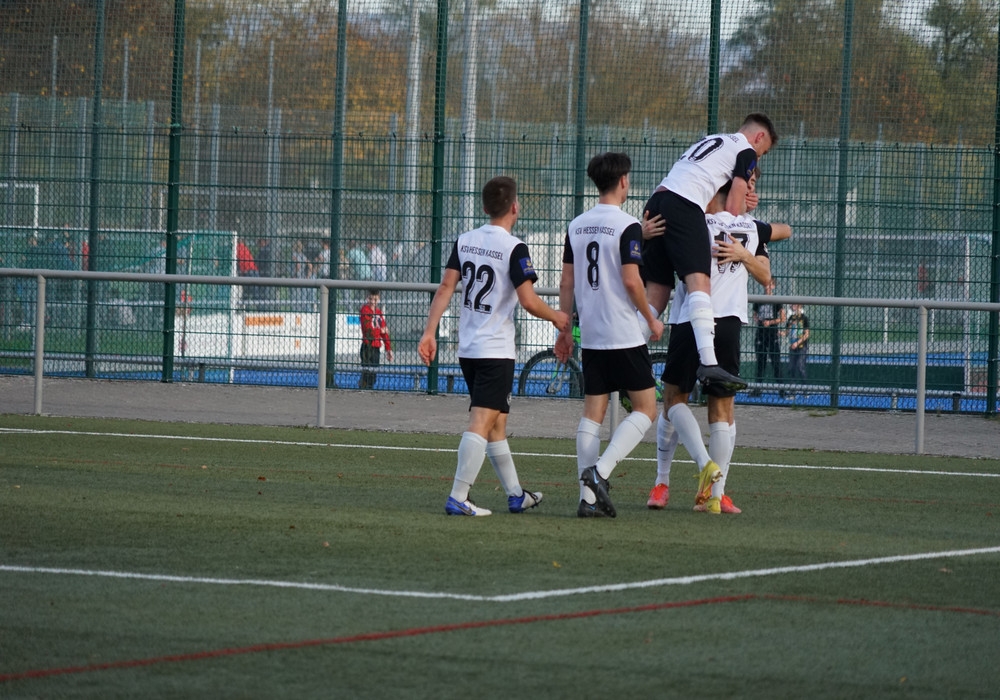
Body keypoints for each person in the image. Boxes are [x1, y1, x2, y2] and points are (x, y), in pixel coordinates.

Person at [418, 176, 569, 517]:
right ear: (515, 207)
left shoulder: (466, 240)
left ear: (485, 207)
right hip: (495, 351)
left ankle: (516, 495)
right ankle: (458, 496)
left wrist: (429, 332)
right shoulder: (514, 247)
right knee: (482, 421)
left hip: (469, 349)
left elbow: (445, 287)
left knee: (497, 422)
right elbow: (528, 300)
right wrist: (557, 317)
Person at [648, 172, 790, 515]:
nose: (751, 192)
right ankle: (698, 489)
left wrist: (743, 252)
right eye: (747, 186)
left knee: (680, 403)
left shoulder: (701, 223)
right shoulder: (747, 227)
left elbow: (766, 272)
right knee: (714, 410)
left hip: (699, 319)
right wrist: (746, 249)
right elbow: (782, 236)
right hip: (712, 321)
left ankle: (695, 487)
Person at [553, 152, 664, 519]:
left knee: (592, 415)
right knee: (646, 409)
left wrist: (565, 330)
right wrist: (651, 319)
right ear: (623, 181)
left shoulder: (576, 225)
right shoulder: (627, 225)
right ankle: (600, 473)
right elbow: (632, 281)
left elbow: (566, 282)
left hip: (593, 334)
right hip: (623, 332)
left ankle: (587, 500)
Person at [640, 113, 778, 392]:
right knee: (700, 281)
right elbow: (734, 202)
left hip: (656, 202)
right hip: (684, 203)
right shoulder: (746, 150)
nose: (758, 158)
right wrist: (740, 212)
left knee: (657, 293)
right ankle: (709, 361)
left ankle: (627, 357)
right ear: (759, 137)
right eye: (762, 153)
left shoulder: (713, 140)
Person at [752, 278, 785, 393]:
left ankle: (782, 389)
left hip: (772, 334)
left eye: (770, 285)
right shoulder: (759, 300)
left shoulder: (776, 301)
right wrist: (758, 320)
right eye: (766, 285)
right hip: (761, 333)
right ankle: (757, 390)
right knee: (761, 362)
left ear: (774, 286)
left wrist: (770, 322)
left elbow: (783, 318)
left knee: (776, 362)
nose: (768, 287)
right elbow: (754, 315)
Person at [359, 289, 392, 389]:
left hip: (376, 347)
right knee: (367, 372)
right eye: (370, 299)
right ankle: (363, 388)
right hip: (367, 346)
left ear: (379, 299)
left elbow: (385, 332)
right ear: (367, 298)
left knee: (373, 374)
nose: (373, 302)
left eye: (375, 299)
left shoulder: (379, 312)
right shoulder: (365, 310)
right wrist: (380, 330)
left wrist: (388, 348)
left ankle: (368, 388)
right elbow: (368, 330)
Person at [785, 303, 810, 390]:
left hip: (802, 347)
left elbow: (806, 334)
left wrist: (797, 343)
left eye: (794, 304)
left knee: (800, 367)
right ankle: (792, 391)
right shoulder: (791, 318)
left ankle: (805, 389)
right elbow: (787, 332)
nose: (791, 306)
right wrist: (779, 332)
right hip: (792, 347)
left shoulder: (804, 318)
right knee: (792, 368)